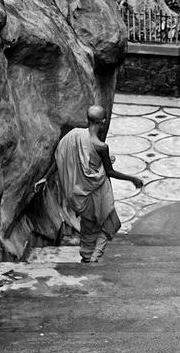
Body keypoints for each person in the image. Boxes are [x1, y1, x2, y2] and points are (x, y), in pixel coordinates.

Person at [35, 105, 143, 263]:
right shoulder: (101, 147)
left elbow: (60, 158)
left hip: (79, 194)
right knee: (110, 223)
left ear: (87, 120)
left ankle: (87, 256)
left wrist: (45, 177)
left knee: (88, 227)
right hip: (97, 193)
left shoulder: (74, 135)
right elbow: (110, 172)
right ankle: (93, 257)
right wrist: (132, 179)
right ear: (103, 121)